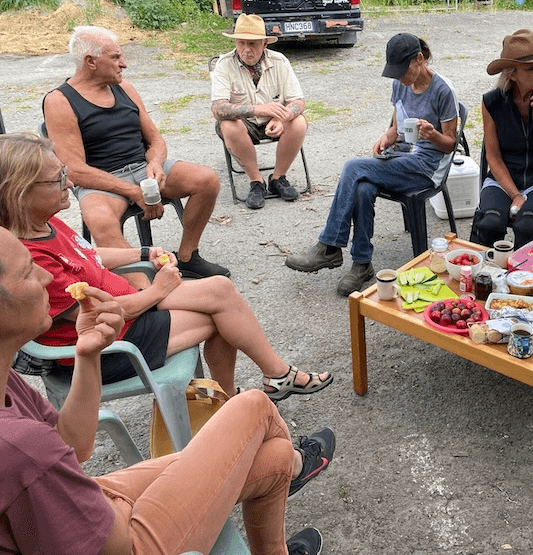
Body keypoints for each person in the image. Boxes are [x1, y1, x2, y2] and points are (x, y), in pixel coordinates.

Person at [0, 226, 332, 554]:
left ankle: (290, 464)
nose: (45, 279)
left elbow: (74, 444)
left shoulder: (7, 383)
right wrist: (131, 507)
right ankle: (296, 459)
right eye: (28, 272)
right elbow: (114, 546)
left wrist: (88, 354)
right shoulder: (21, 446)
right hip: (121, 540)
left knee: (273, 457)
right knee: (254, 407)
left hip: (83, 501)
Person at [0, 133, 332, 401]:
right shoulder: (27, 261)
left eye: (64, 174)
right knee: (224, 317)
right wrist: (159, 289)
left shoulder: (43, 223)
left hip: (130, 309)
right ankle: (258, 387)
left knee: (221, 290)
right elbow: (102, 315)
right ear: (20, 192)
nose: (70, 185)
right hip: (105, 345)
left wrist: (143, 252)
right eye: (58, 179)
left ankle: (255, 389)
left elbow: (89, 255)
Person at [42, 25, 229, 280]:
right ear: (90, 61)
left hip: (142, 168)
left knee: (206, 179)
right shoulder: (59, 101)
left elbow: (155, 139)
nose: (124, 64)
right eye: (116, 57)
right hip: (101, 180)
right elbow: (74, 169)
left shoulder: (124, 88)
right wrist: (133, 191)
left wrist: (156, 163)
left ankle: (187, 257)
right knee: (100, 221)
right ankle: (145, 284)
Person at [285, 32, 459, 296]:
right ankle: (362, 263)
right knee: (363, 187)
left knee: (354, 168)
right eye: (395, 71)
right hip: (403, 155)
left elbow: (450, 144)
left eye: (403, 70)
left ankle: (330, 247)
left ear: (420, 59)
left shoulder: (443, 90)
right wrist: (388, 135)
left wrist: (432, 134)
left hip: (427, 167)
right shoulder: (400, 84)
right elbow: (397, 120)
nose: (400, 77)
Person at [472, 29, 533, 248]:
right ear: (512, 73)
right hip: (502, 180)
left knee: (528, 225)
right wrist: (514, 194)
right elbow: (494, 157)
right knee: (489, 224)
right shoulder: (493, 102)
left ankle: (525, 279)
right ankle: (488, 277)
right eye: (531, 67)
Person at [212, 13, 308, 209]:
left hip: (275, 121)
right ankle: (257, 182)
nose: (246, 50)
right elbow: (218, 109)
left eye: (253, 44)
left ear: (265, 44)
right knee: (228, 124)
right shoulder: (224, 64)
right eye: (241, 43)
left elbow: (298, 101)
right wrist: (258, 109)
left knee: (298, 121)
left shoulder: (279, 61)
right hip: (244, 125)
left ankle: (278, 178)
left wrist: (283, 118)